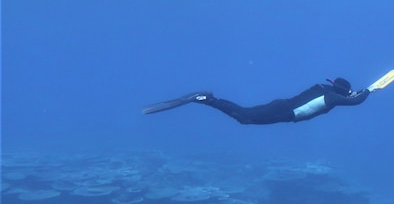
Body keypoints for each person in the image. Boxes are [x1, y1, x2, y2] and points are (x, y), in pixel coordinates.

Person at [141, 77, 370, 124]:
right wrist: (370, 90)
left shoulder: (327, 91)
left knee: (245, 117)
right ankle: (203, 99)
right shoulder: (331, 97)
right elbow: (355, 102)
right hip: (285, 111)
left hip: (283, 108)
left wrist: (358, 93)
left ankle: (207, 99)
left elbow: (351, 98)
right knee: (246, 117)